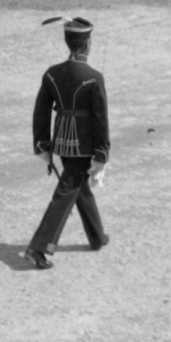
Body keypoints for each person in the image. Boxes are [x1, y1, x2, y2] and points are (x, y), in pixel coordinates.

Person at [25, 18, 110, 269]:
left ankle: (96, 236)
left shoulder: (52, 74)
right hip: (84, 144)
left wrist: (42, 145)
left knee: (77, 184)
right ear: (88, 44)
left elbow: (41, 112)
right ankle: (38, 247)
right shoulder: (94, 77)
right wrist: (101, 153)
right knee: (68, 188)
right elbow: (100, 118)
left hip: (61, 141)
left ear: (67, 42)